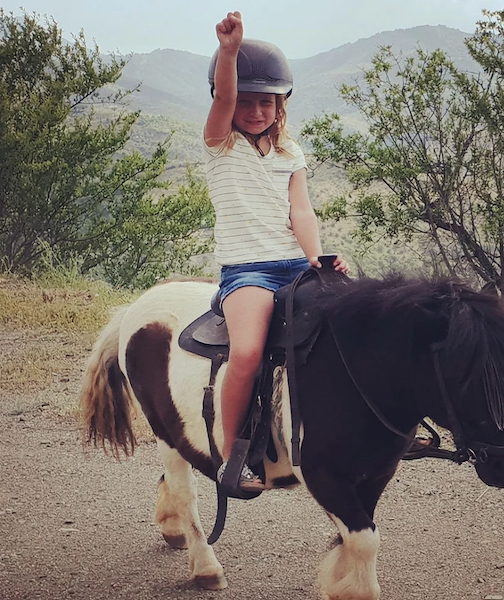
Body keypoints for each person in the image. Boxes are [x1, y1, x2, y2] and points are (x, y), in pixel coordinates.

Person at [204, 11, 350, 492]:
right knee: (246, 351)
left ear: (280, 104)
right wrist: (229, 53)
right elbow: (225, 95)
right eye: (246, 102)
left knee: (354, 324)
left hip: (293, 262)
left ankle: (354, 431)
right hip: (248, 271)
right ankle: (231, 456)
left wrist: (318, 258)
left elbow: (302, 212)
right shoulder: (220, 144)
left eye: (266, 102)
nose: (255, 110)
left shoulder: (291, 153)